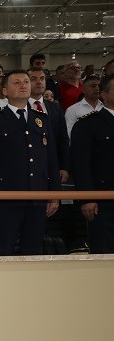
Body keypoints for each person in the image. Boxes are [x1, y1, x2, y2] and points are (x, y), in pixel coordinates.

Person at [0, 69, 61, 255]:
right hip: (7, 196)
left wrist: (54, 194)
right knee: (5, 248)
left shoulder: (41, 119)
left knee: (34, 249)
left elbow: (51, 160)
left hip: (38, 194)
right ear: (5, 91)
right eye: (16, 83)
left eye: (26, 82)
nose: (23, 86)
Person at [69, 73, 114, 253]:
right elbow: (80, 164)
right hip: (104, 201)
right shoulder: (88, 125)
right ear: (104, 94)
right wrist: (87, 198)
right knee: (105, 250)